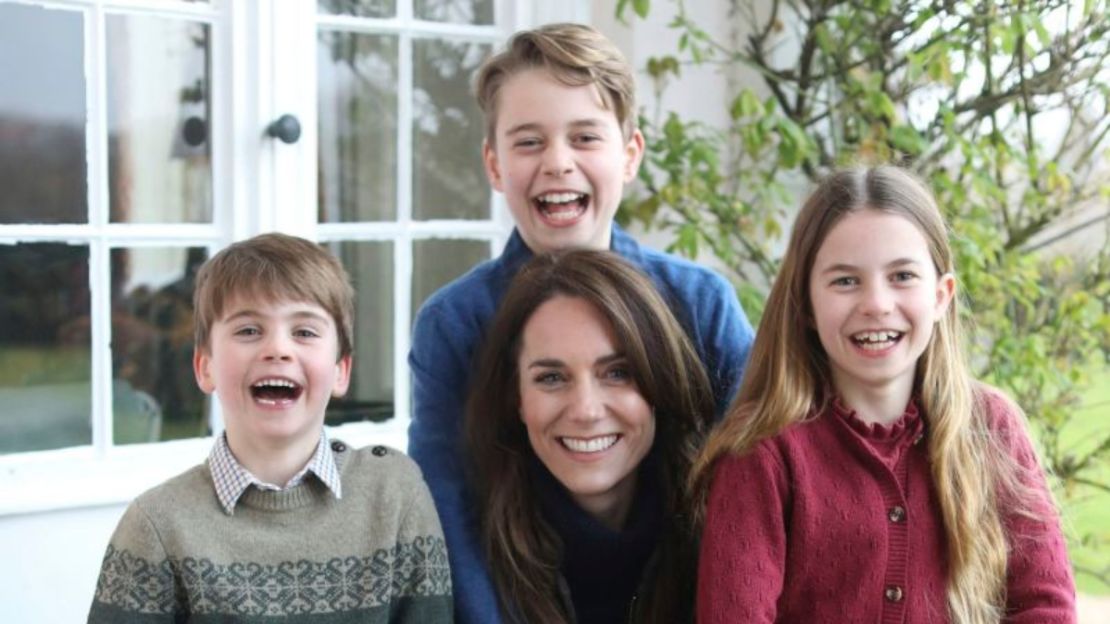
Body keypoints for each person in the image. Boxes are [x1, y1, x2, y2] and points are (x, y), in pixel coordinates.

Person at [407, 22, 754, 623]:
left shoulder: (700, 305)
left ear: (629, 156)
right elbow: (449, 513)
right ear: (494, 165)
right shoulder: (455, 324)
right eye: (528, 142)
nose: (558, 163)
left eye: (585, 137)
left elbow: (754, 487)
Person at [695, 166, 1076, 623]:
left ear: (941, 295)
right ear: (807, 306)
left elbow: (1046, 606)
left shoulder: (992, 428)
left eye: (902, 276)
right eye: (845, 281)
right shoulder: (763, 456)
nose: (876, 303)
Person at [88, 233, 452, 623]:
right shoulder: (156, 525)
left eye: (304, 332)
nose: (278, 349)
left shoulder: (394, 493)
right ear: (204, 367)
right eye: (248, 330)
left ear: (340, 371)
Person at [466, 249, 715, 623]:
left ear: (659, 382)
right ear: (515, 398)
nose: (586, 410)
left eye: (617, 373)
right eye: (551, 378)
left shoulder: (720, 532)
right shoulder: (464, 557)